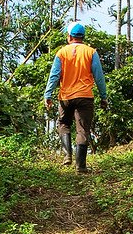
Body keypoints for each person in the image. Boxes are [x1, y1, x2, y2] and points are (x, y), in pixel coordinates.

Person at [44, 21, 108, 174]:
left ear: (69, 37)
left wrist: (48, 94)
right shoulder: (91, 52)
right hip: (85, 97)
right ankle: (81, 166)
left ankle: (67, 155)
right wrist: (103, 97)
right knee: (83, 130)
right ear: (82, 37)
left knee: (64, 123)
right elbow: (99, 77)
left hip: (65, 96)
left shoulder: (61, 53)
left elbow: (54, 76)